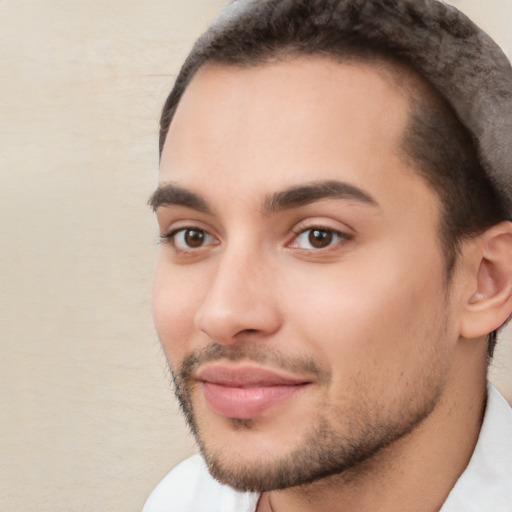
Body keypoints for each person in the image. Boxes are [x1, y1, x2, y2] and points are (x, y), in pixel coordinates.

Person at [143, 1, 512, 510]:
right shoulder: (179, 502)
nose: (222, 314)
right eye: (192, 236)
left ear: (486, 280)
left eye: (319, 236)